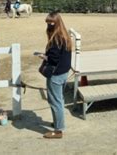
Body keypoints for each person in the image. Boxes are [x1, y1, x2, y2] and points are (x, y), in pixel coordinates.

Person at [38, 11, 72, 139]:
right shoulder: (65, 36)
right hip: (63, 72)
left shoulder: (56, 39)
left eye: (52, 22)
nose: (49, 25)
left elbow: (54, 59)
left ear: (57, 23)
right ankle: (59, 122)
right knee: (59, 100)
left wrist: (44, 57)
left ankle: (58, 130)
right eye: (48, 22)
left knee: (55, 101)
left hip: (56, 74)